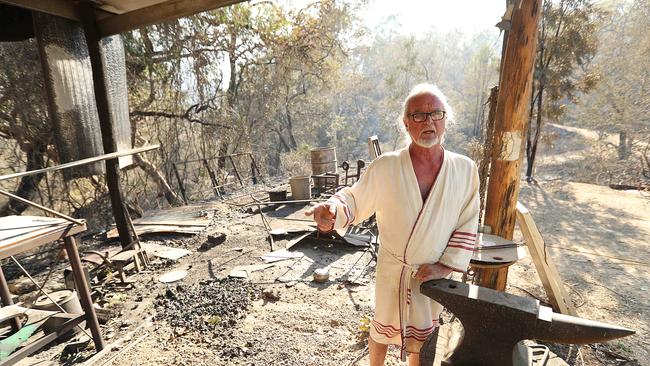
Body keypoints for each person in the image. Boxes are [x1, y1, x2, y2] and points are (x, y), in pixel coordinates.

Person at [305, 83, 480, 365]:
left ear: (446, 119)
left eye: (436, 114)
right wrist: (332, 210)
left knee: (422, 339)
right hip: (393, 267)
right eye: (419, 115)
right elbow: (354, 198)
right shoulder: (386, 166)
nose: (428, 122)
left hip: (432, 274)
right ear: (406, 123)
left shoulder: (465, 169)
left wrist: (445, 266)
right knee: (382, 328)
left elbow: (468, 221)